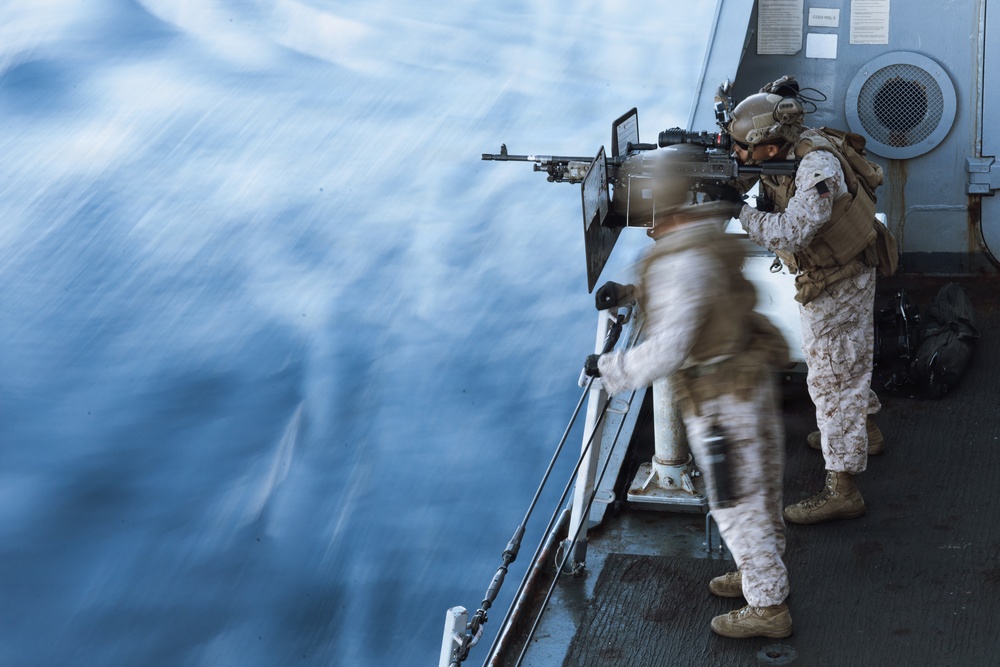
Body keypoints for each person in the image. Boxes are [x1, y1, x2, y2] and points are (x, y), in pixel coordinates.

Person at [584, 145, 793, 639]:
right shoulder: (702, 231)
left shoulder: (680, 261)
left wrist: (610, 367)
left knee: (735, 500)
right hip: (747, 376)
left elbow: (670, 349)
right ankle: (759, 570)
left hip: (721, 397)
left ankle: (769, 607)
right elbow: (697, 298)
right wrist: (638, 295)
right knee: (759, 490)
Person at [725, 76, 890, 525]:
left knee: (832, 383)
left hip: (837, 284)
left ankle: (844, 489)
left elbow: (791, 232)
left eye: (743, 148)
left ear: (771, 149)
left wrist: (734, 210)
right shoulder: (791, 148)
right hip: (836, 276)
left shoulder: (818, 169)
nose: (738, 155)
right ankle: (865, 431)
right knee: (847, 366)